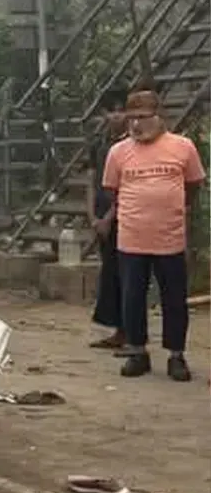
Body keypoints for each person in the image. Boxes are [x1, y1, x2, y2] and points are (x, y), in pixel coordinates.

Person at [102, 87, 206, 381]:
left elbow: (193, 184)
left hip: (170, 238)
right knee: (132, 297)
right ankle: (138, 352)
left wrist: (175, 207)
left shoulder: (183, 147)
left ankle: (176, 355)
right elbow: (112, 190)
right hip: (132, 239)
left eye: (143, 117)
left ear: (160, 117)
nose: (137, 124)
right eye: (132, 118)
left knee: (174, 299)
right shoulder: (118, 152)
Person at [86, 87, 131, 350]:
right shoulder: (99, 143)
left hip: (124, 215)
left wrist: (108, 218)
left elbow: (126, 186)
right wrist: (92, 215)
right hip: (101, 212)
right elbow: (91, 180)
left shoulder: (131, 145)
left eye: (120, 110)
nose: (116, 116)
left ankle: (129, 332)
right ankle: (117, 330)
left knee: (127, 274)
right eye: (111, 111)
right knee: (110, 272)